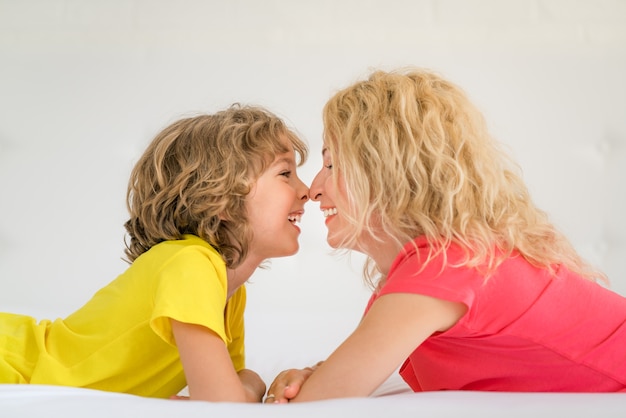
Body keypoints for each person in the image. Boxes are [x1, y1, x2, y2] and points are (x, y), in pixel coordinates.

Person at [265, 68, 626, 403]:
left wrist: (303, 384)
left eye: (331, 165)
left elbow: (318, 402)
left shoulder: (438, 269)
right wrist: (308, 375)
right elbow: (338, 378)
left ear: (388, 172)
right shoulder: (435, 269)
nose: (313, 190)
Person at [0, 104, 310, 402]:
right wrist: (255, 384)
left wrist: (250, 383)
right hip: (16, 367)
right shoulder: (192, 266)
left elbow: (231, 382)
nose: (306, 190)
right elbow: (224, 400)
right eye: (285, 174)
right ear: (223, 200)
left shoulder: (228, 287)